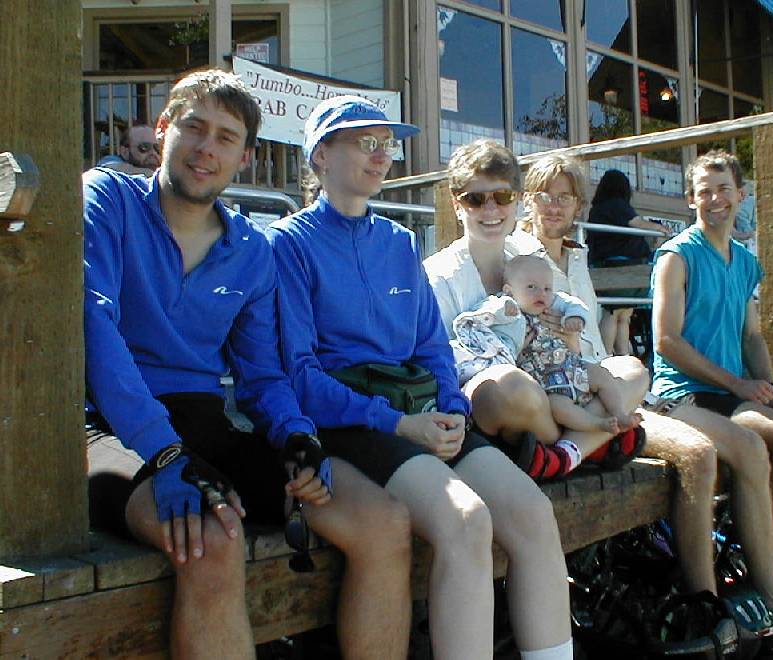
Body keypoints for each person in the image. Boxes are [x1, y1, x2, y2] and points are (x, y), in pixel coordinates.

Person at [84, 71, 412, 660]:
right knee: (213, 539)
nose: (205, 148)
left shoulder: (250, 249)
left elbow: (262, 376)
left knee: (382, 521)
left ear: (245, 157)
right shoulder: (108, 199)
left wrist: (297, 436)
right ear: (163, 129)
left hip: (204, 426)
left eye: (226, 137)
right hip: (108, 429)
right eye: (194, 127)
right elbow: (95, 327)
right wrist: (163, 452)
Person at [267, 97, 573, 660]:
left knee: (531, 513)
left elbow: (432, 346)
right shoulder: (289, 243)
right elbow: (299, 374)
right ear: (320, 155)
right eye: (365, 142)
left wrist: (453, 409)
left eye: (386, 144)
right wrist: (398, 423)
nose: (381, 155)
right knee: (467, 520)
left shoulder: (398, 241)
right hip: (353, 419)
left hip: (423, 411)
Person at [508, 153, 773, 632]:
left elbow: (595, 344)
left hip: (609, 394)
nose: (554, 206)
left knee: (760, 442)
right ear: (528, 200)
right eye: (544, 196)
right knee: (699, 453)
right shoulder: (516, 259)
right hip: (566, 399)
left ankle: (767, 590)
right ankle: (705, 607)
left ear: (580, 205)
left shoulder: (577, 254)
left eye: (565, 197)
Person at [651, 149, 773, 622]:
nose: (715, 199)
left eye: (724, 189)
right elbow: (666, 340)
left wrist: (769, 388)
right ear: (691, 199)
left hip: (735, 390)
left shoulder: (744, 262)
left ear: (741, 195)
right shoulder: (677, 256)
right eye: (704, 191)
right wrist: (739, 385)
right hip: (686, 392)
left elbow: (752, 336)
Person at [426, 141, 649, 483]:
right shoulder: (439, 276)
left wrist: (569, 338)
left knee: (631, 371)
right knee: (512, 385)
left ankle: (563, 455)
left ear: (517, 200)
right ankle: (592, 444)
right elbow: (442, 368)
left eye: (502, 196)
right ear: (457, 205)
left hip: (553, 384)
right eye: (475, 199)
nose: (490, 208)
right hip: (494, 402)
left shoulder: (530, 259)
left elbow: (573, 346)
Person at [453, 254, 642, 440]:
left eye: (547, 288)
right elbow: (481, 316)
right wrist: (501, 310)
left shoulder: (554, 303)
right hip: (543, 381)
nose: (541, 293)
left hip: (571, 365)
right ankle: (597, 424)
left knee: (602, 375)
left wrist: (574, 317)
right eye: (531, 287)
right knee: (559, 408)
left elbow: (574, 304)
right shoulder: (506, 306)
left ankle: (619, 413)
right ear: (509, 291)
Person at [587, 169, 674, 356]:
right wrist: (660, 228)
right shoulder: (616, 205)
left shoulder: (598, 209)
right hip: (623, 269)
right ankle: (612, 356)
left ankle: (613, 356)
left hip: (606, 268)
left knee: (618, 313)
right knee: (618, 315)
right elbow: (637, 223)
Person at [97, 123, 161, 175]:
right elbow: (107, 167)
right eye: (144, 147)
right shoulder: (111, 161)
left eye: (157, 148)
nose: (153, 153)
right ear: (125, 152)